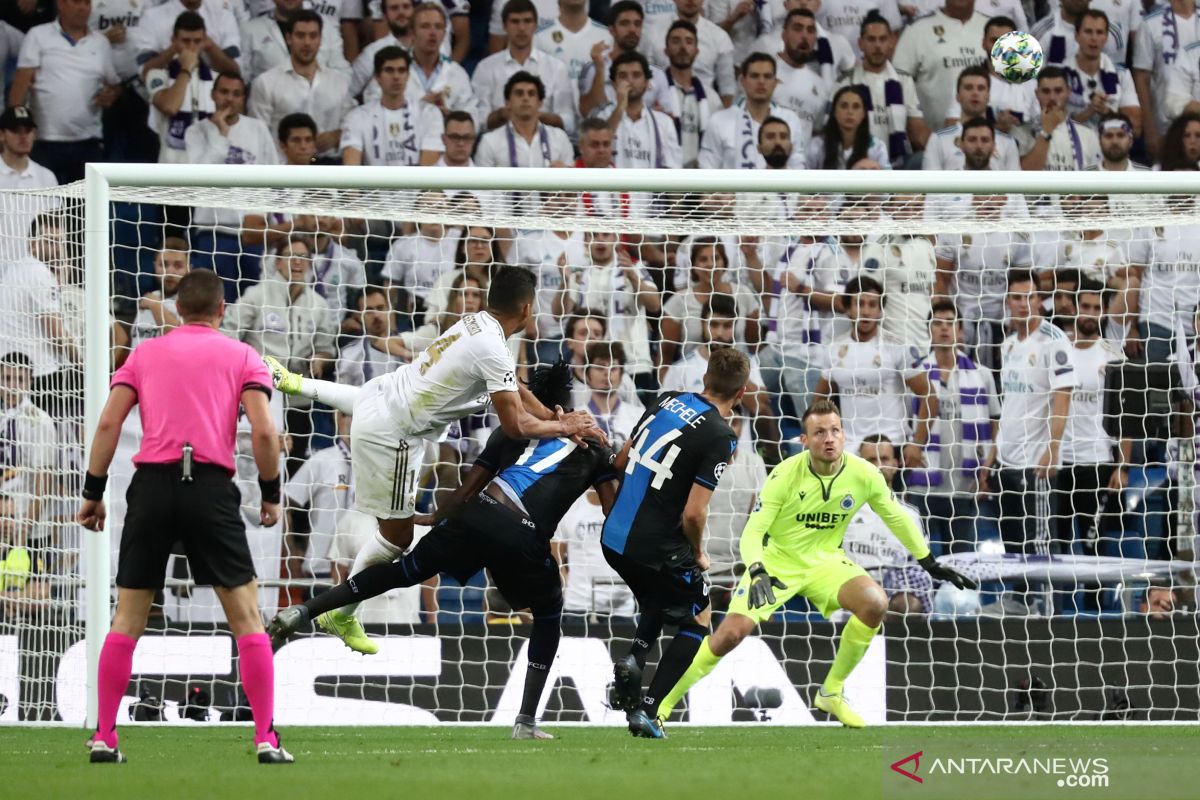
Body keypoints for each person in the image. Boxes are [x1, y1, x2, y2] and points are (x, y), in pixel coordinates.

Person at [267, 361, 618, 739]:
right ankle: (526, 721)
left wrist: (435, 518)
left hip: (479, 513)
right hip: (524, 532)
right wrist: (613, 461)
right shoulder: (593, 442)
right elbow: (612, 509)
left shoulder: (509, 432)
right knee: (549, 612)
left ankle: (305, 610)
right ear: (566, 404)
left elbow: (467, 488)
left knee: (405, 571)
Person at [264, 267, 604, 653]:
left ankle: (296, 382)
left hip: (381, 395)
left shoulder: (476, 323)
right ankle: (342, 611)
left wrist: (557, 419)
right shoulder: (493, 348)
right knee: (398, 538)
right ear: (527, 308)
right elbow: (514, 425)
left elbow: (515, 386)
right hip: (392, 437)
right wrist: (563, 428)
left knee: (370, 399)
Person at [76, 269, 291, 764]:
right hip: (211, 487)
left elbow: (110, 419)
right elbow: (263, 432)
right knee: (246, 616)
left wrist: (93, 491)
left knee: (128, 616)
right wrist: (271, 493)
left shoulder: (145, 352)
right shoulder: (241, 355)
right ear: (221, 310)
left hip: (151, 485)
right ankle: (264, 737)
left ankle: (105, 736)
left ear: (178, 308)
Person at [656, 400, 975, 729]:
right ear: (804, 440)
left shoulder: (863, 474)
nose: (829, 438)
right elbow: (753, 532)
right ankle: (663, 704)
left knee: (875, 603)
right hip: (776, 562)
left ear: (843, 435)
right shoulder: (784, 474)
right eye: (819, 432)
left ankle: (831, 692)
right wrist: (757, 568)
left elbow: (896, 517)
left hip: (826, 561)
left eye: (835, 430)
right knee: (729, 636)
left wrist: (928, 560)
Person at [602, 347, 748, 739]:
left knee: (662, 593)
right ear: (742, 392)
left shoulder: (667, 398)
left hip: (613, 538)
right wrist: (698, 552)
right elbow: (694, 515)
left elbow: (618, 464)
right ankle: (649, 711)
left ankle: (635, 655)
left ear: (704, 379)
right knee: (699, 614)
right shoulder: (722, 435)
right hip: (655, 546)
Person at [985, 270, 1077, 558]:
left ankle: (1048, 604)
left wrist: (1053, 449)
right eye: (1016, 297)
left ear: (1040, 300)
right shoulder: (1009, 343)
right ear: (1007, 302)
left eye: (1030, 297)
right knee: (1012, 545)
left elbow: (1064, 397)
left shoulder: (1054, 340)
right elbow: (1008, 404)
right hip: (1007, 460)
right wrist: (992, 457)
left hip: (1036, 463)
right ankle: (1018, 602)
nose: (1023, 303)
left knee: (1041, 545)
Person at [906, 300, 1000, 555]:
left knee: (961, 560)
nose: (944, 329)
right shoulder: (914, 374)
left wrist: (986, 468)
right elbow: (905, 423)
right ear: (930, 331)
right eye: (937, 323)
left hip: (963, 485)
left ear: (960, 331)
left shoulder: (982, 374)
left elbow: (995, 423)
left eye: (950, 323)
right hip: (923, 484)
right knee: (919, 558)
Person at [812, 276, 936, 462]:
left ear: (880, 311)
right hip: (851, 451)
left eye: (872, 305)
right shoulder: (834, 349)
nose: (866, 311)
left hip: (893, 448)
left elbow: (929, 396)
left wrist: (917, 444)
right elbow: (819, 401)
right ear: (848, 309)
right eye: (859, 304)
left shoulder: (898, 346)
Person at [10, 0, 121, 184]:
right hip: (45, 140)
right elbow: (21, 85)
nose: (83, 8)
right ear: (61, 4)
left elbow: (114, 84)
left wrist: (112, 93)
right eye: (77, 2)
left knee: (85, 209)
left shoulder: (101, 43)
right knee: (44, 209)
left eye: (87, 3)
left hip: (88, 141)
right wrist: (12, 130)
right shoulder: (38, 35)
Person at [1055, 281, 1129, 557]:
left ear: (1105, 311)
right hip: (1059, 461)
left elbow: (1127, 416)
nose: (1090, 312)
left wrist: (1123, 467)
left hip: (1097, 462)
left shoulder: (1112, 354)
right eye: (1085, 306)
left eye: (1097, 308)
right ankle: (1056, 602)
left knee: (1093, 548)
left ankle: (1093, 601)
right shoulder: (1057, 350)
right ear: (1074, 308)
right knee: (1056, 545)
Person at [248, 10, 355, 160]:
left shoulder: (339, 83)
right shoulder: (265, 83)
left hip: (327, 168)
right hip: (281, 171)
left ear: (320, 39)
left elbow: (353, 127)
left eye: (313, 36)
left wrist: (338, 135)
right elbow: (258, 136)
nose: (307, 42)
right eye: (300, 35)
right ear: (288, 38)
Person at [836, 12, 928, 168]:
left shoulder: (904, 81)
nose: (877, 45)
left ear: (891, 42)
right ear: (860, 43)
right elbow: (833, 130)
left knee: (921, 159)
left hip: (897, 162)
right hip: (857, 163)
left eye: (882, 39)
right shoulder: (846, 81)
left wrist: (943, 146)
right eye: (871, 39)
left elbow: (916, 128)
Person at [472, 0, 575, 135]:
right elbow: (478, 122)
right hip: (498, 146)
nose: (521, 28)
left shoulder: (556, 68)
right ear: (504, 26)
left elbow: (568, 122)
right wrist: (503, 114)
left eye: (527, 21)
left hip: (546, 144)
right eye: (515, 22)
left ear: (535, 25)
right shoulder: (485, 68)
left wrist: (534, 115)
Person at [891, 0, 988, 133]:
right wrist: (914, 122)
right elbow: (899, 81)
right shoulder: (917, 30)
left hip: (989, 141)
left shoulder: (993, 27)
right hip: (931, 140)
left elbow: (1016, 81)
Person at [700, 52, 807, 170]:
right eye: (755, 76)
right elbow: (706, 169)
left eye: (767, 76)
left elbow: (798, 166)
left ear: (775, 82)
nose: (761, 82)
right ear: (743, 81)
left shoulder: (790, 119)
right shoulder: (719, 121)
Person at [340, 46, 443, 166]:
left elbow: (428, 172)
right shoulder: (357, 117)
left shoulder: (429, 113)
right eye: (389, 70)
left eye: (401, 70)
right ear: (377, 77)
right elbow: (352, 168)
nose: (396, 77)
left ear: (408, 75)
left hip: (416, 184)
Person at [145, 12, 216, 165]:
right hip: (171, 167)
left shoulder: (215, 79)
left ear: (204, 42)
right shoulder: (158, 75)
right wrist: (186, 69)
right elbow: (170, 106)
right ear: (174, 41)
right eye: (185, 41)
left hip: (208, 168)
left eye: (197, 41)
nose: (191, 47)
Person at [642, 0, 737, 107]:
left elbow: (727, 88)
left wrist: (724, 119)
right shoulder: (654, 33)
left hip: (707, 107)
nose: (690, 0)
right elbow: (647, 80)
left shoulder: (719, 37)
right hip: (664, 107)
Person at [242, 0, 349, 82]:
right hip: (270, 105)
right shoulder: (250, 30)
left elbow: (342, 72)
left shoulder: (326, 27)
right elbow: (243, 77)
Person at [1021, 66, 1102, 172]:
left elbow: (1096, 181)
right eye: (1046, 91)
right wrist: (1046, 131)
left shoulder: (1088, 135)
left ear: (1068, 92)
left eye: (1058, 91)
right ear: (1037, 94)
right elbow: (1027, 171)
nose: (1052, 97)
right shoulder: (1022, 132)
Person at [808, 84, 889, 168]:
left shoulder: (877, 147)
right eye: (844, 106)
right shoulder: (817, 145)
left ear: (864, 114)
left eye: (856, 107)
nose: (850, 112)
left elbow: (887, 179)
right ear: (834, 111)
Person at [130, 237, 190, 347]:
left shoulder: (192, 303)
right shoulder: (149, 298)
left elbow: (182, 340)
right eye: (163, 264)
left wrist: (155, 305)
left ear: (189, 268)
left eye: (178, 266)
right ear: (154, 266)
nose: (170, 272)